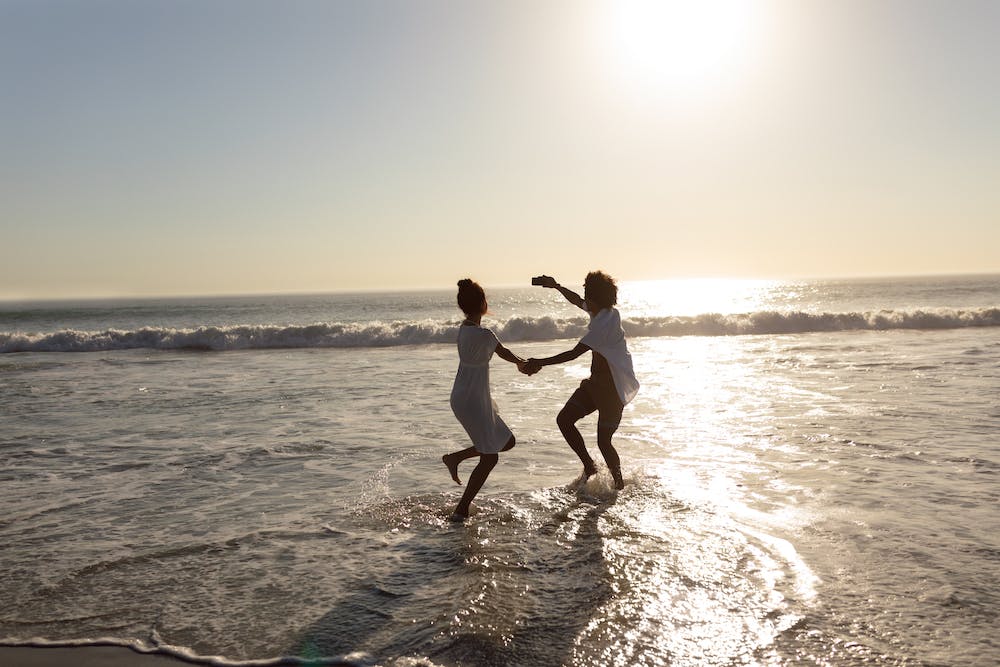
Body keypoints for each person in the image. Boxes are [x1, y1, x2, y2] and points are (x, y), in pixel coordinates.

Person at [523, 272, 639, 489]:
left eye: (588, 295)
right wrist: (556, 286)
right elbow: (578, 301)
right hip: (596, 384)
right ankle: (590, 466)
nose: (585, 300)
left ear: (595, 298)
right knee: (564, 420)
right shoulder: (603, 311)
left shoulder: (604, 324)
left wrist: (539, 362)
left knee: (604, 442)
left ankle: (619, 487)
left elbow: (573, 354)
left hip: (612, 389)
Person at [442, 279, 528, 519]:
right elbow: (505, 353)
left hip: (466, 396)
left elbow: (500, 352)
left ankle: (455, 458)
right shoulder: (484, 335)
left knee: (506, 441)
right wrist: (524, 364)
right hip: (473, 400)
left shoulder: (464, 329)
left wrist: (520, 362)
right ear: (482, 303)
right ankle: (461, 510)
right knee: (490, 457)